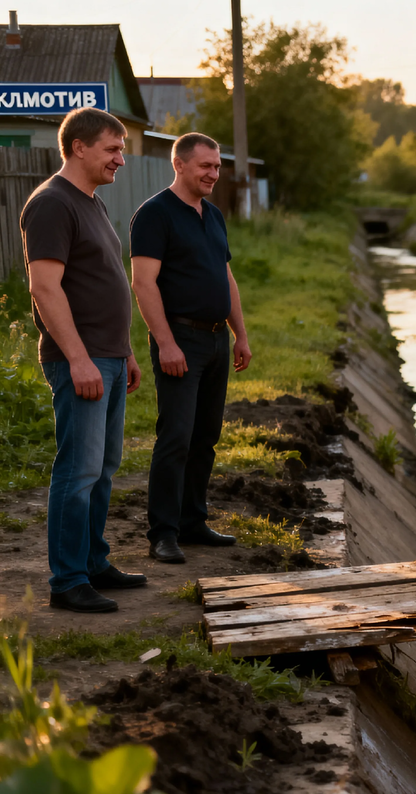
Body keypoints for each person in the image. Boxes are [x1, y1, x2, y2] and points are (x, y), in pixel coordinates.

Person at [20, 107, 143, 614]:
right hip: (82, 362)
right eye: (113, 149)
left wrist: (127, 351)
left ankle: (93, 562)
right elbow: (44, 288)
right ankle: (67, 581)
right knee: (78, 471)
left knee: (104, 468)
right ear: (79, 148)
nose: (121, 158)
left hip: (109, 359)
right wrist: (79, 359)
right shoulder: (52, 203)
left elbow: (103, 282)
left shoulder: (91, 202)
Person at [130, 133, 252, 564]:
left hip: (218, 339)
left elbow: (227, 278)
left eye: (217, 167)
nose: (213, 174)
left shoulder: (214, 215)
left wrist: (240, 334)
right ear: (179, 164)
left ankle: (193, 521)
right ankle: (162, 533)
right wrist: (165, 343)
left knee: (206, 436)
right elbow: (143, 283)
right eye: (206, 166)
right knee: (176, 437)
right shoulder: (154, 214)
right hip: (180, 340)